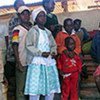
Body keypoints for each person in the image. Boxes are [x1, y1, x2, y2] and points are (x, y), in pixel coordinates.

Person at [24, 7, 60, 100]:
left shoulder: (48, 32)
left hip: (48, 62)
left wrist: (53, 52)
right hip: (37, 62)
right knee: (35, 88)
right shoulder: (33, 31)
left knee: (50, 87)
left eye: (44, 16)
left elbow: (53, 45)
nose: (43, 18)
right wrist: (40, 53)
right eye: (40, 16)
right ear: (35, 19)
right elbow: (29, 45)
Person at [12, 6, 32, 100]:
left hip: (33, 63)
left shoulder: (33, 28)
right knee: (21, 88)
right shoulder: (16, 29)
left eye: (27, 13)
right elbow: (14, 46)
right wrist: (18, 62)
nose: (25, 16)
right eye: (23, 14)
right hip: (22, 62)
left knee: (31, 87)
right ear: (19, 16)